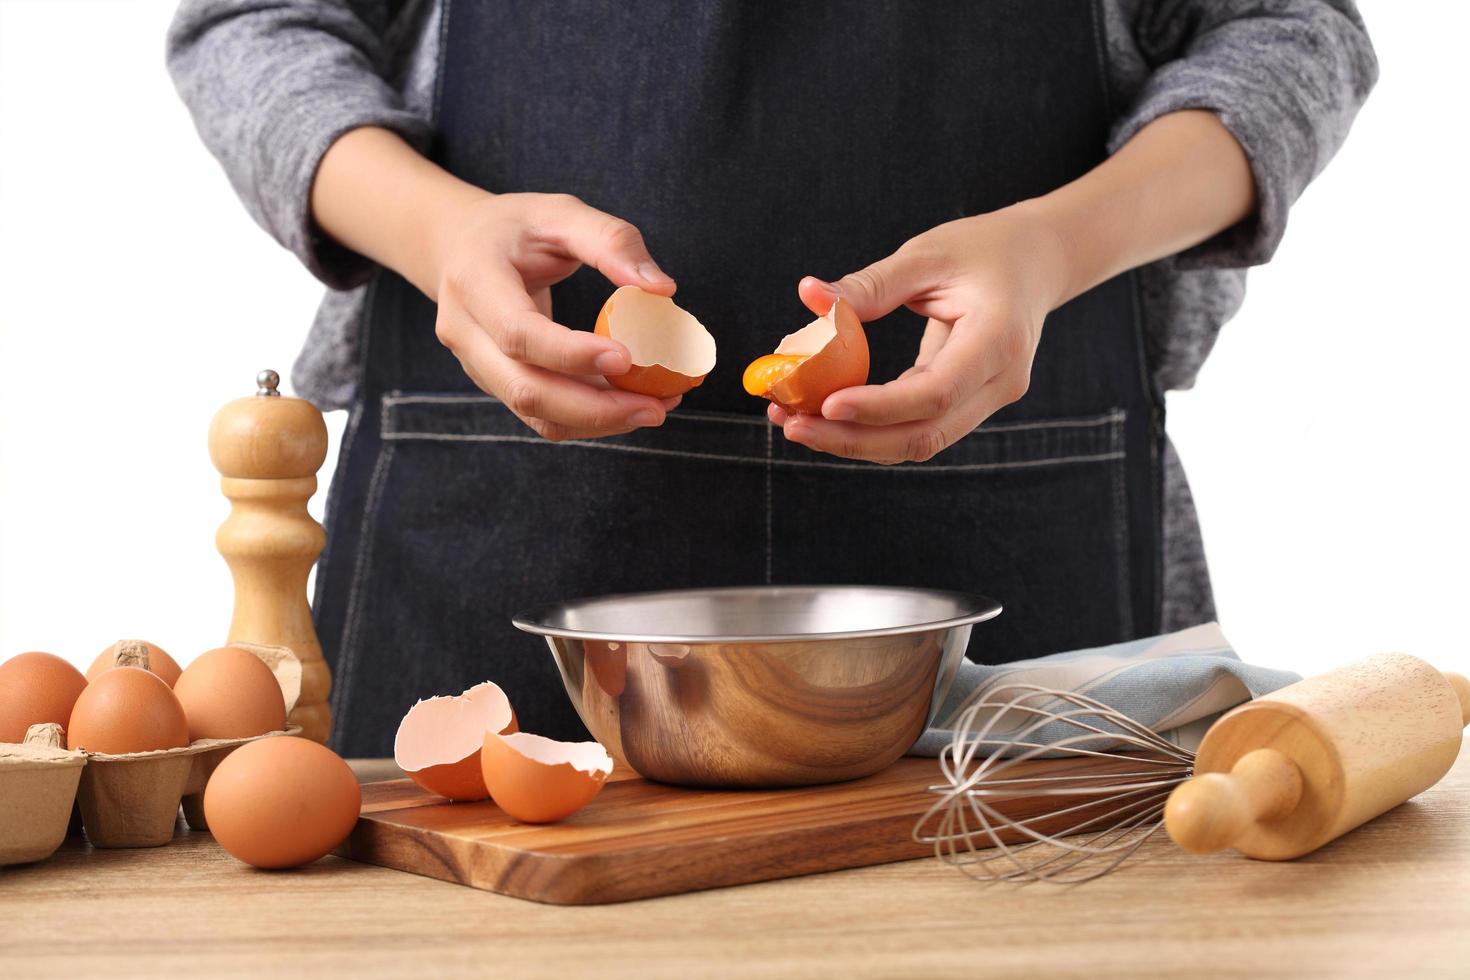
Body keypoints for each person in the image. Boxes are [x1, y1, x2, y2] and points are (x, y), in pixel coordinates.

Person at [168, 1, 1377, 757]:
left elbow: (1290, 30)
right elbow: (251, 19)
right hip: (494, 519)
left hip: (1014, 522)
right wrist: (441, 234)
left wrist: (1058, 244)